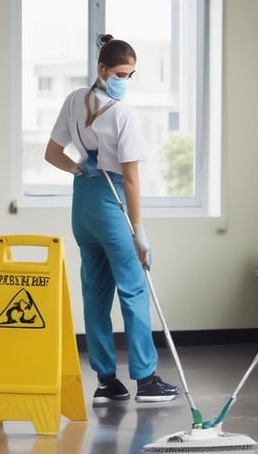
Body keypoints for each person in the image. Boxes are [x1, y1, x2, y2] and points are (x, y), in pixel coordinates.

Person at [45, 34, 178, 405]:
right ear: (101, 69)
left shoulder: (74, 99)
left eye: (130, 75)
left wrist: (78, 168)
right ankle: (147, 380)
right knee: (133, 289)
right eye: (120, 73)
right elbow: (132, 179)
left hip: (83, 203)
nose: (125, 81)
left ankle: (107, 382)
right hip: (111, 200)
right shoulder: (123, 112)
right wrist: (139, 232)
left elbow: (52, 153)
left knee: (95, 292)